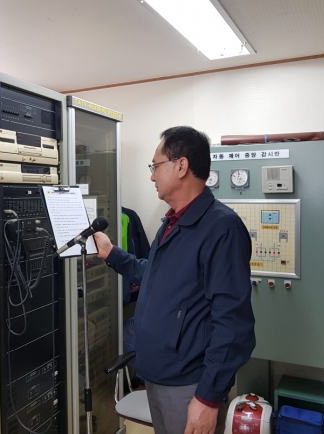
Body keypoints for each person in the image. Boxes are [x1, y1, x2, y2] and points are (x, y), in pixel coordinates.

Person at [93, 126, 255, 434]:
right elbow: (154, 275)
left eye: (155, 166)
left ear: (181, 166)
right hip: (158, 374)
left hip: (189, 384)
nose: (152, 176)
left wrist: (208, 398)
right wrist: (112, 253)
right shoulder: (173, 221)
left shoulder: (221, 228)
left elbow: (234, 324)